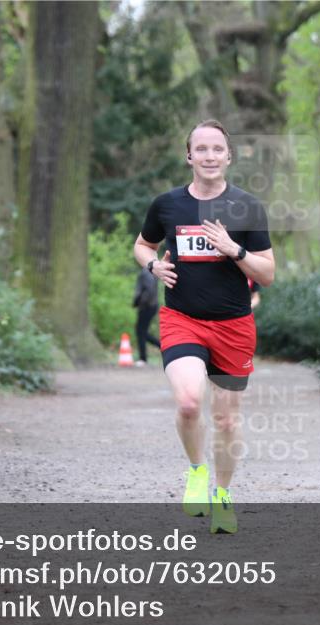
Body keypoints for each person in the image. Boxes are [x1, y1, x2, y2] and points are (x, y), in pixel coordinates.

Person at [133, 119, 274, 534]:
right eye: (201, 149)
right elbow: (143, 245)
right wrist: (153, 266)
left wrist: (235, 250)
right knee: (190, 403)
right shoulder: (167, 206)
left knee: (228, 421)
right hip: (183, 319)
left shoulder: (247, 207)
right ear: (189, 156)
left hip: (233, 325)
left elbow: (267, 273)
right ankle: (197, 471)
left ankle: (223, 494)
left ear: (229, 157)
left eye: (217, 149)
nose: (209, 156)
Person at [132, 266, 160, 366]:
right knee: (142, 332)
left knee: (140, 331)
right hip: (151, 305)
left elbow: (149, 290)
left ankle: (143, 358)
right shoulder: (151, 271)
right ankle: (162, 347)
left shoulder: (146, 272)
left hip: (147, 306)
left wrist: (140, 302)